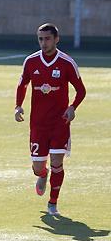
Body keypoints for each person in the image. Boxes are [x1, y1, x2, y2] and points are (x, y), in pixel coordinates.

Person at [15, 23, 86, 216]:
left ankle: (53, 203)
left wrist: (72, 107)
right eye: (40, 39)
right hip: (38, 124)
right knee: (38, 167)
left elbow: (81, 90)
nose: (43, 43)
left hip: (59, 123)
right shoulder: (31, 61)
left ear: (56, 39)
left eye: (47, 39)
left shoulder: (66, 62)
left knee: (57, 162)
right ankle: (42, 174)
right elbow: (22, 84)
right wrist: (18, 106)